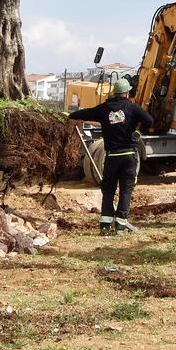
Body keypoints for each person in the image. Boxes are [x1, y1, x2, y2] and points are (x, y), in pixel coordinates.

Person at [69, 77, 153, 235]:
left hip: (112, 157)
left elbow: (85, 113)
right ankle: (120, 227)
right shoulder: (132, 108)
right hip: (129, 156)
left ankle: (105, 226)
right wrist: (138, 132)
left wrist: (70, 115)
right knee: (126, 191)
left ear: (114, 93)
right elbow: (149, 120)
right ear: (127, 93)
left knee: (108, 191)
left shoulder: (104, 109)